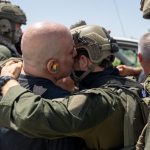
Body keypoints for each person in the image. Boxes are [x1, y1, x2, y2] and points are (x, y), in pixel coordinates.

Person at [0, 24, 149, 150]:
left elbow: (37, 114)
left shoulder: (99, 101)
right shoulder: (129, 86)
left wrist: (7, 81)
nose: (72, 59)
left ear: (84, 61)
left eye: (73, 54)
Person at [0, 21, 89, 150]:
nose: (76, 54)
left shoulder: (5, 84)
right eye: (70, 52)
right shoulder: (61, 107)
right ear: (53, 66)